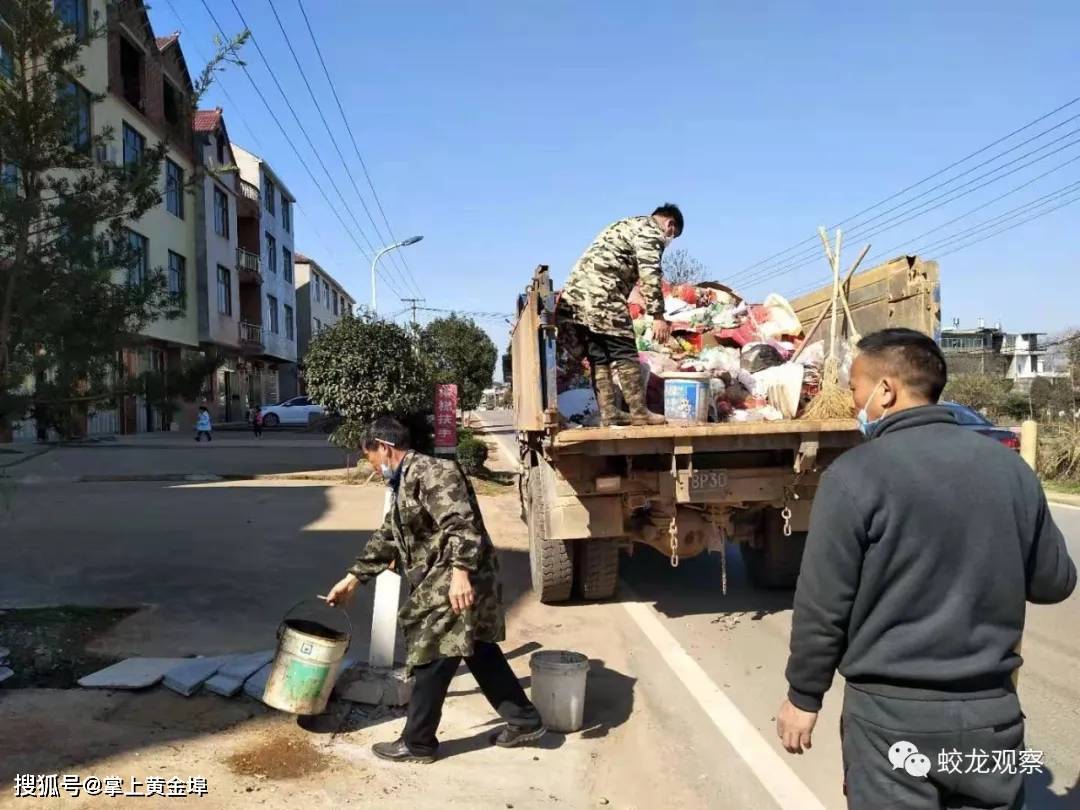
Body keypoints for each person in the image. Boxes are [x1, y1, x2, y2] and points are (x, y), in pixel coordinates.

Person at [777, 328, 1076, 810]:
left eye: (855, 389)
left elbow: (822, 605)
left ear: (886, 390)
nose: (856, 402)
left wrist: (803, 697)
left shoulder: (854, 476)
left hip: (890, 725)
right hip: (993, 720)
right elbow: (1055, 582)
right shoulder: (1011, 470)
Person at [324, 417, 546, 764]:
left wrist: (460, 574)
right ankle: (525, 721)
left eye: (369, 455)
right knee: (477, 649)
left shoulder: (433, 472)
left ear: (383, 447)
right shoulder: (405, 481)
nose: (372, 464)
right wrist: (353, 578)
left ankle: (418, 742)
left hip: (456, 576)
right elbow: (387, 536)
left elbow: (462, 525)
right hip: (448, 575)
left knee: (431, 654)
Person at [558, 203, 683, 427]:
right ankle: (639, 412)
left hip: (576, 298)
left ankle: (610, 413)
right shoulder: (651, 232)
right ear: (670, 224)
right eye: (673, 235)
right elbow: (650, 273)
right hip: (602, 295)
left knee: (599, 355)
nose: (670, 239)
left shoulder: (626, 224)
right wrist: (657, 315)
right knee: (624, 350)